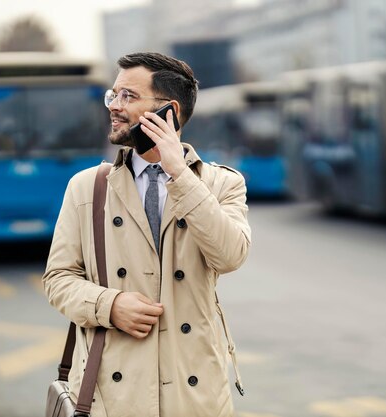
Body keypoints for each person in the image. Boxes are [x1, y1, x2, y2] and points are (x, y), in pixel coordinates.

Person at [42, 52, 251, 417]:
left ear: (169, 112)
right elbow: (58, 279)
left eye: (128, 96)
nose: (114, 106)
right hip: (112, 395)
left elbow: (230, 255)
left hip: (196, 396)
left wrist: (180, 176)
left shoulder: (222, 183)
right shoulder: (87, 187)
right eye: (114, 95)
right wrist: (110, 305)